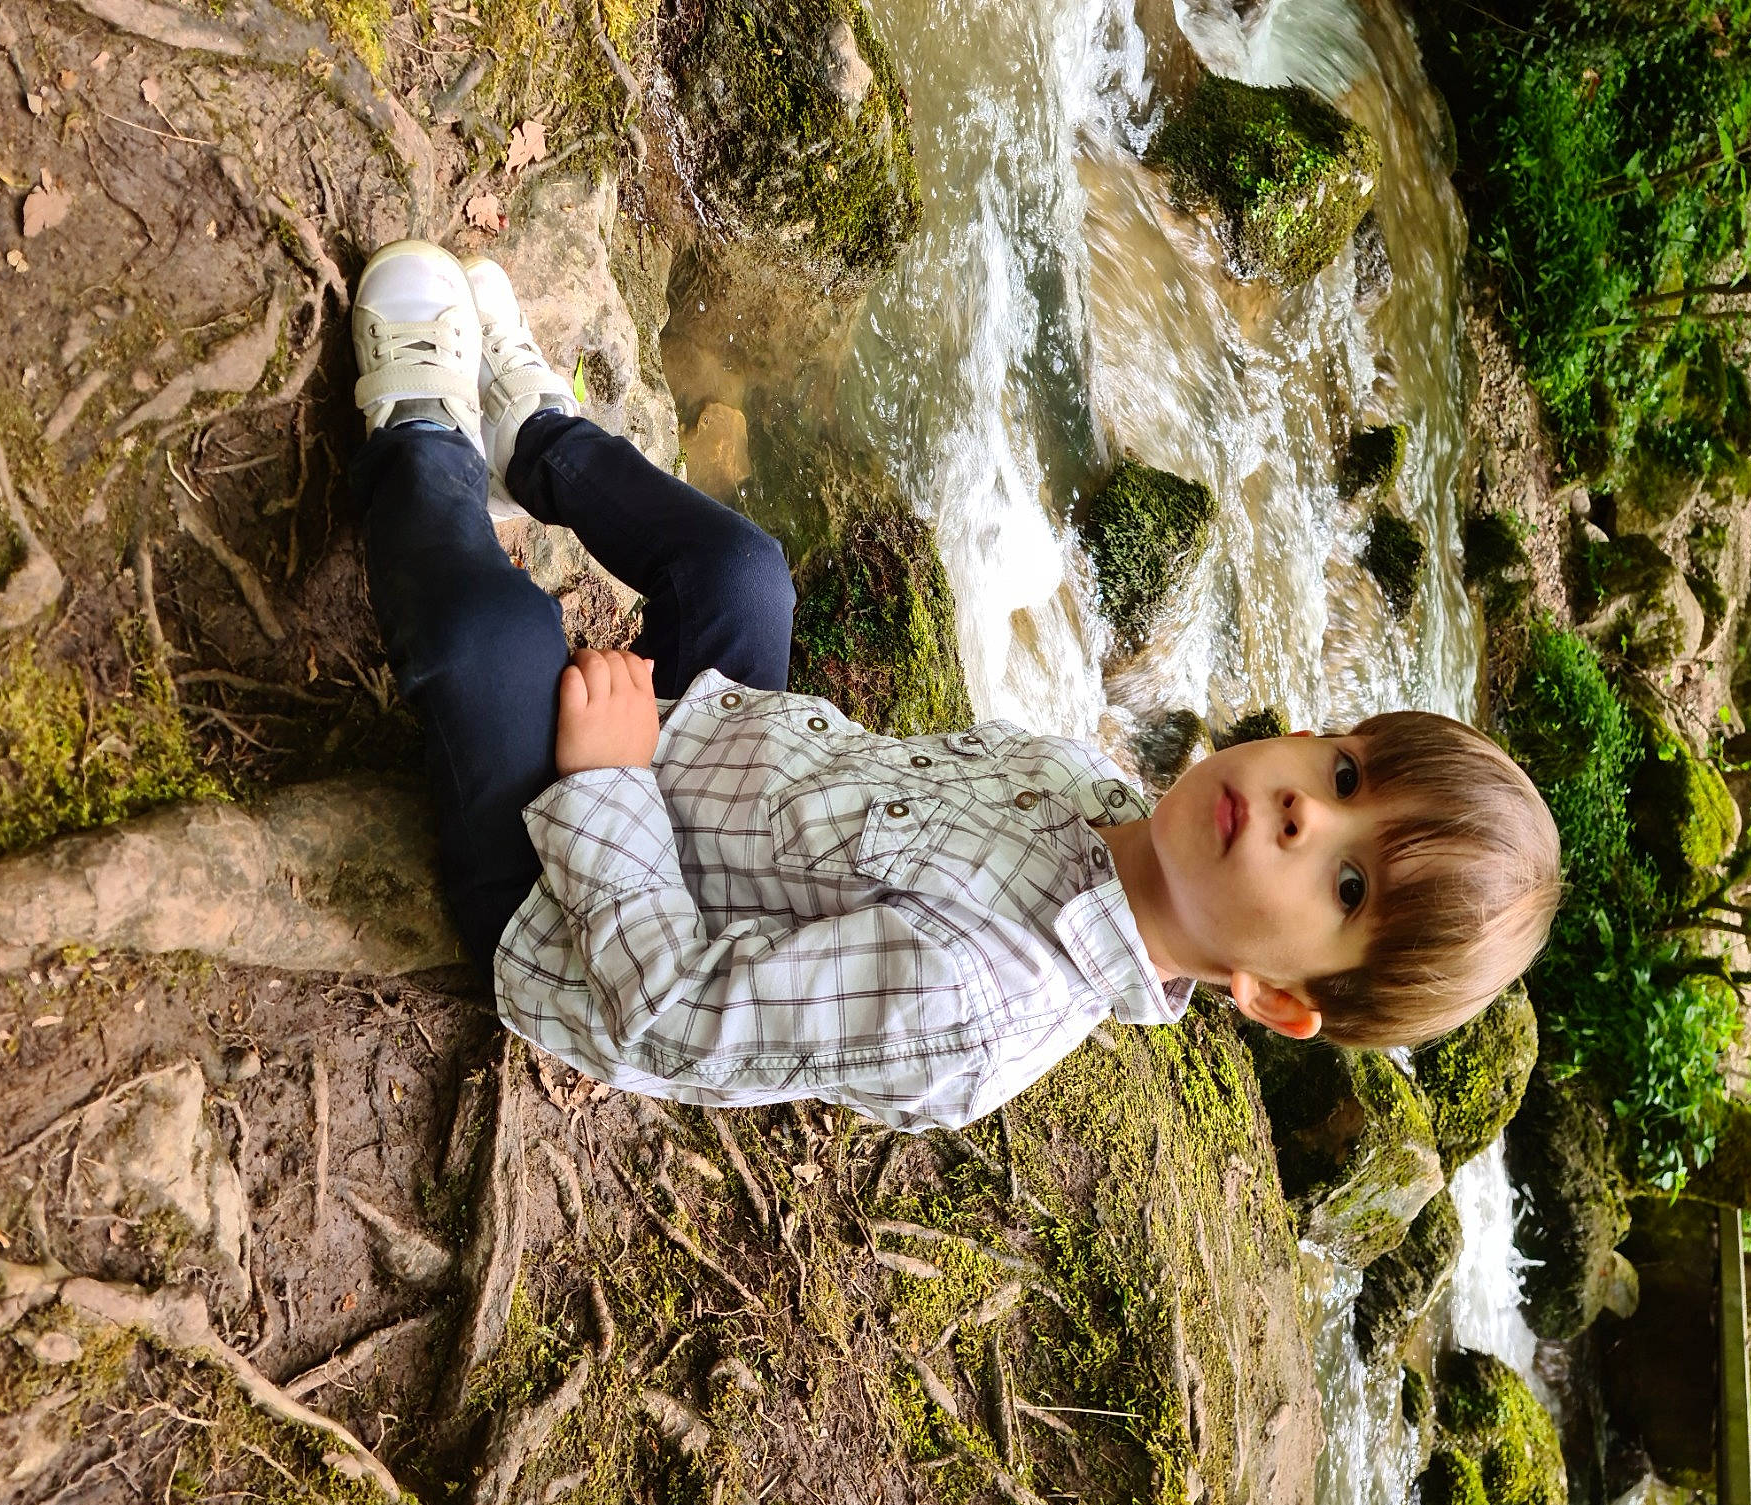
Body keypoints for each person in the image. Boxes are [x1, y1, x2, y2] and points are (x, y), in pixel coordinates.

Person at [349, 239, 1564, 1132]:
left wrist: (610, 785)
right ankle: (537, 442)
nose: (1308, 813)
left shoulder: (971, 1005)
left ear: (1274, 999)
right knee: (743, 574)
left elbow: (667, 1015)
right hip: (701, 759)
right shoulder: (1078, 779)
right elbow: (855, 787)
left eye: (1343, 883)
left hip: (567, 910)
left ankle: (418, 438)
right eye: (1344, 773)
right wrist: (680, 735)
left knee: (496, 640)